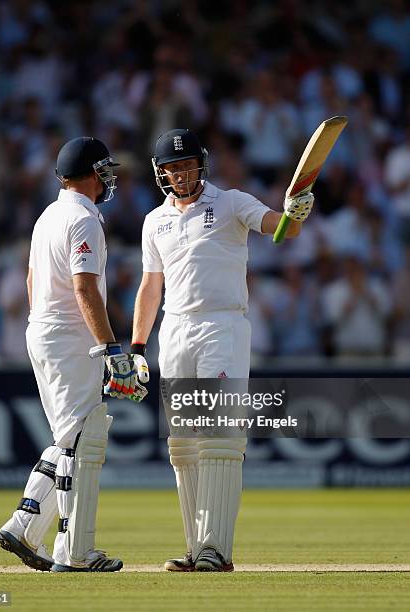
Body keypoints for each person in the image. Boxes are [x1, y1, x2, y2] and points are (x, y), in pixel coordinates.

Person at [131, 128, 313, 572]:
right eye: (173, 168)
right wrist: (137, 345)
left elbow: (279, 229)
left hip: (223, 326)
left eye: (188, 164)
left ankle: (218, 549)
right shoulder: (154, 221)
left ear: (201, 164)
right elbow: (150, 286)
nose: (181, 174)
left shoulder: (231, 201)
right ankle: (196, 549)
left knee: (219, 439)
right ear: (161, 174)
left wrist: (295, 214)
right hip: (174, 331)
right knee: (182, 446)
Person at [0, 136, 142, 573]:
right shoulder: (83, 219)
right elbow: (84, 288)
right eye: (106, 171)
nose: (110, 178)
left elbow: (30, 278)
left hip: (42, 331)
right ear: (93, 173)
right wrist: (110, 347)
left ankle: (23, 525)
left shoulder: (49, 214)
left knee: (69, 436)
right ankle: (75, 553)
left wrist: (47, 322)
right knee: (83, 439)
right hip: (69, 338)